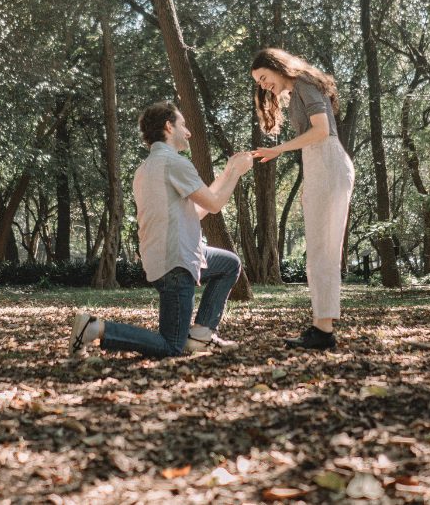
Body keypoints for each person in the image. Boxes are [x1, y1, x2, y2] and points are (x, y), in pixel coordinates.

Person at [69, 101, 254, 358]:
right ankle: (95, 328)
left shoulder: (146, 169)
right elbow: (213, 204)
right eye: (183, 125)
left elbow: (196, 211)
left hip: (171, 256)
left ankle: (201, 335)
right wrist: (237, 173)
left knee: (229, 264)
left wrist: (229, 171)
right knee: (171, 345)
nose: (188, 132)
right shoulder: (174, 163)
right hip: (176, 262)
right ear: (169, 126)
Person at [250, 48, 354, 350]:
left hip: (328, 164)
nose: (263, 85)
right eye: (258, 82)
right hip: (319, 167)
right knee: (319, 252)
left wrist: (278, 150)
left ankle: (323, 331)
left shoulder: (305, 83)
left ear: (277, 67)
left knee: (324, 252)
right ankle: (322, 327)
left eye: (264, 78)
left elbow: (321, 131)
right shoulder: (296, 91)